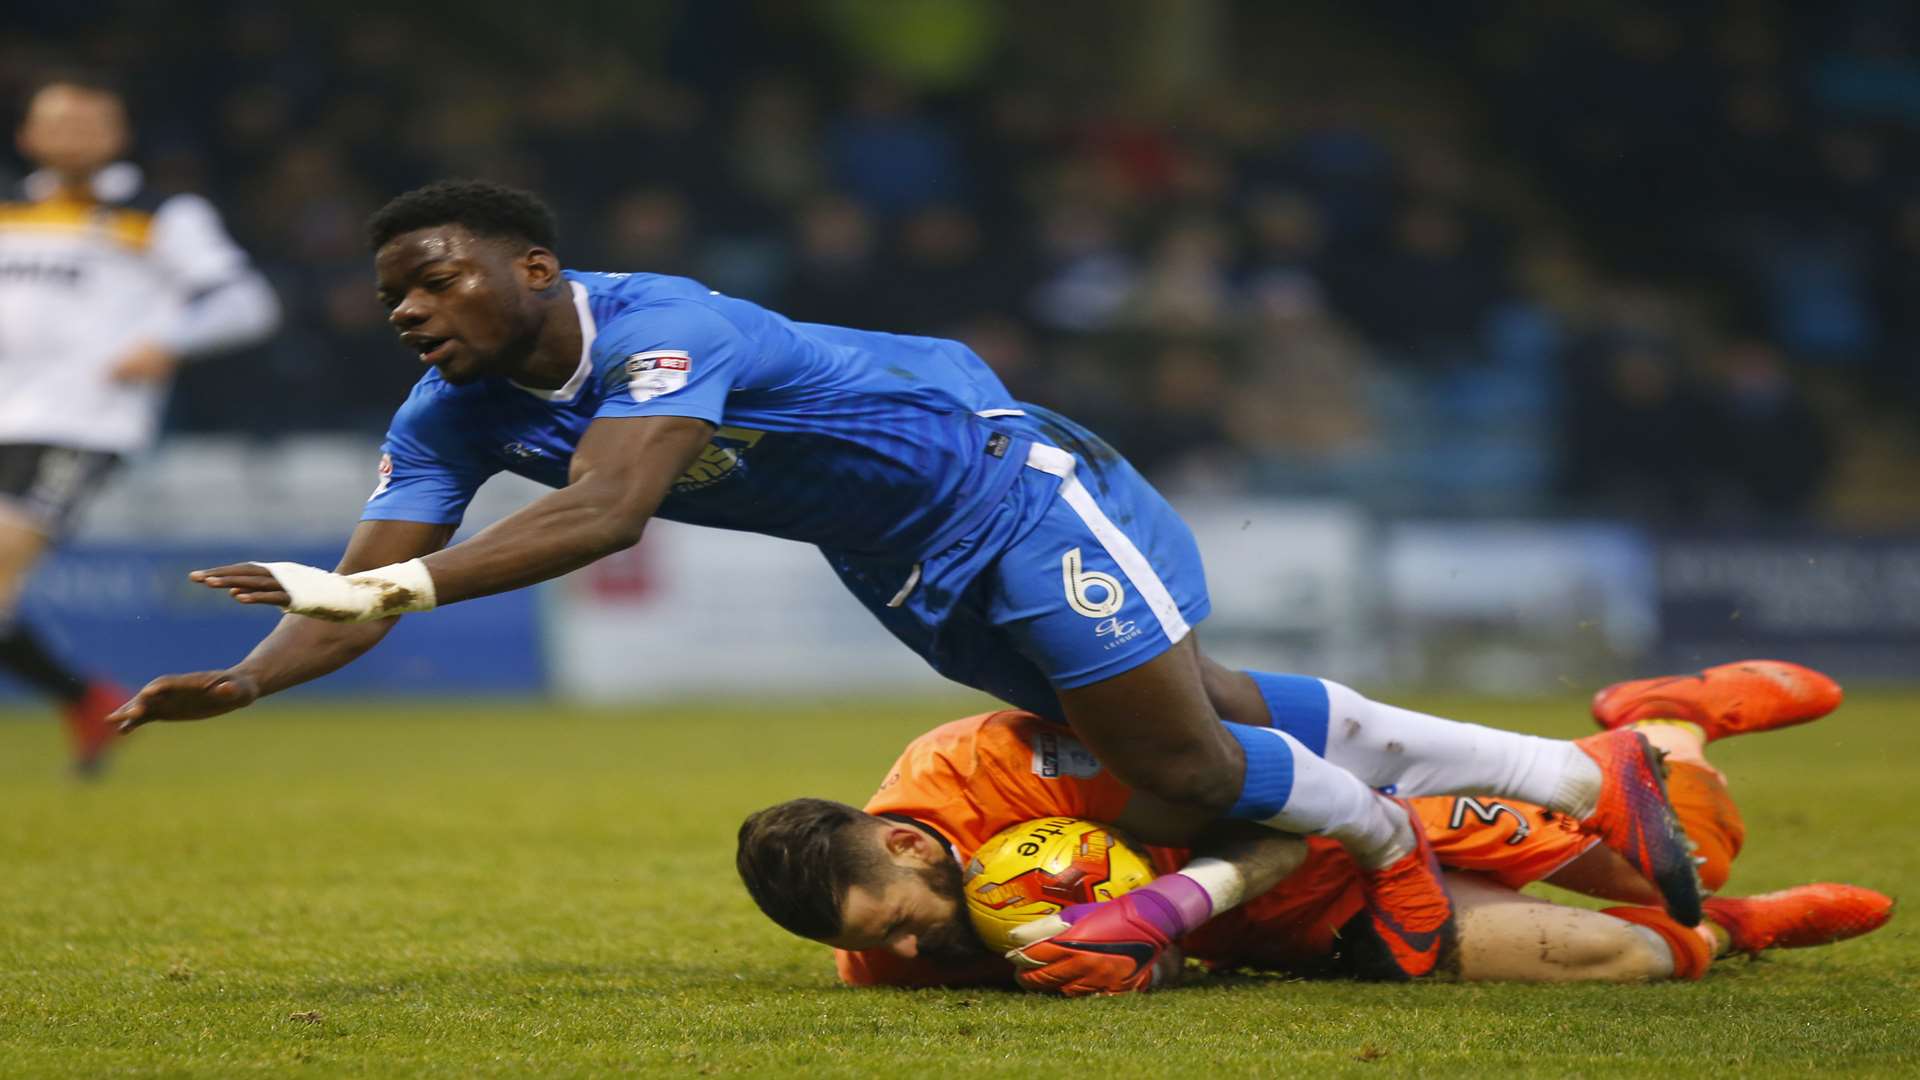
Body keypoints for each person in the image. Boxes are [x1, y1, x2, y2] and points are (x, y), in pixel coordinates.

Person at [109, 179, 1703, 973]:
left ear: (535, 269)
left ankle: (1457, 826)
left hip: (1006, 486)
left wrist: (391, 596)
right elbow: (354, 580)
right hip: (897, 558)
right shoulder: (446, 411)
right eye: (389, 297)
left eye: (432, 278)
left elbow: (605, 515)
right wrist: (250, 680)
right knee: (1191, 716)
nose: (407, 311)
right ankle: (1580, 774)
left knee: (1181, 766)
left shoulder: (660, 324)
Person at [735, 661, 1891, 994]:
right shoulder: (885, 952)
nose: (899, 951)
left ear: (910, 845)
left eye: (896, 923)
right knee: (1617, 955)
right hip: (1277, 918)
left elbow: (1275, 812)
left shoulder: (1002, 767)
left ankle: (1666, 721)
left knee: (1669, 869)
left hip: (1327, 810)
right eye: (868, 944)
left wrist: (1176, 904)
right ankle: (1736, 934)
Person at [1, 72, 279, 773]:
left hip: (79, 423)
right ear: (28, 136)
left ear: (118, 137)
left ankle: (82, 700)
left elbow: (247, 301)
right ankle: (83, 699)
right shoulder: (8, 211)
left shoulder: (159, 213)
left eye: (92, 123)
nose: (75, 136)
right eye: (59, 123)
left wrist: (168, 342)